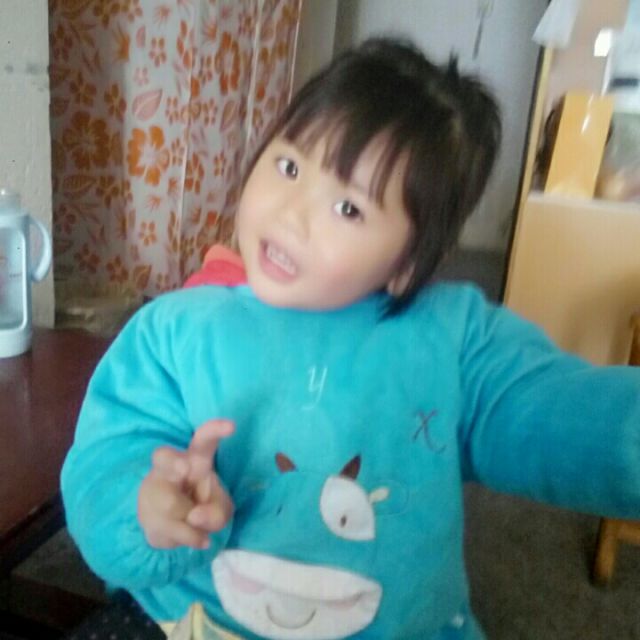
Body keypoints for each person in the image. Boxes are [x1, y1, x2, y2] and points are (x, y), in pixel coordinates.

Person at [61, 37, 640, 640]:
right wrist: (145, 506)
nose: (291, 213)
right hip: (190, 621)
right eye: (290, 167)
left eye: (348, 209)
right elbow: (105, 461)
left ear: (407, 264)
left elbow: (562, 414)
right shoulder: (175, 330)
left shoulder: (452, 340)